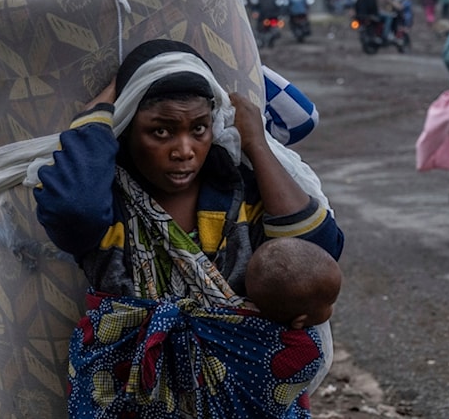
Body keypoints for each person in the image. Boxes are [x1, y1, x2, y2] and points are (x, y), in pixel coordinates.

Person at [33, 39, 345, 418]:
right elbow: (72, 210)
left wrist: (256, 144)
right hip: (130, 397)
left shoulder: (239, 194)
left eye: (198, 128)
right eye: (160, 132)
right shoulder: (112, 202)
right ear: (129, 128)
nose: (184, 149)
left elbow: (317, 249)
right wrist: (101, 110)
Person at [245, 237, 342, 330]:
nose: (332, 307)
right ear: (299, 322)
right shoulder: (303, 345)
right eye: (330, 303)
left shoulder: (235, 319)